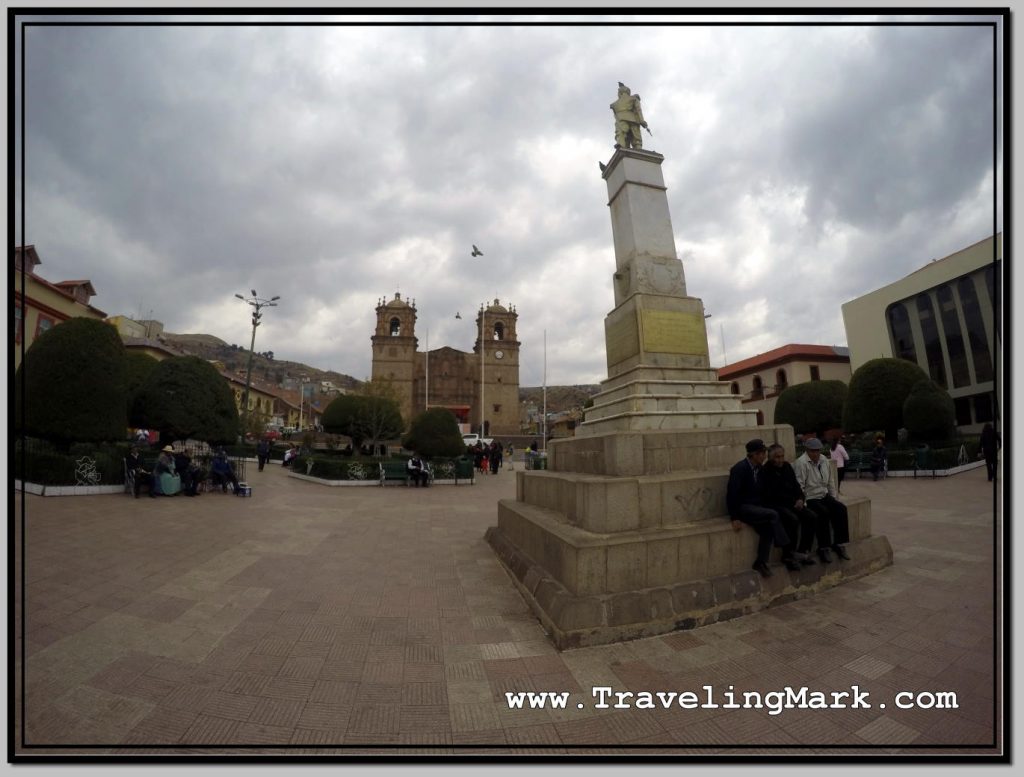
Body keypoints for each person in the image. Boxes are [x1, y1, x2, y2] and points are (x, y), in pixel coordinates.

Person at [726, 439, 800, 578]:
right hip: (744, 508)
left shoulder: (760, 469)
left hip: (757, 507)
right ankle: (785, 545)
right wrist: (734, 517)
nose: (764, 456)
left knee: (768, 528)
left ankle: (760, 562)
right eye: (762, 453)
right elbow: (732, 494)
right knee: (773, 515)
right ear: (753, 454)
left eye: (764, 453)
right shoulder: (740, 469)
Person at [760, 444, 818, 566]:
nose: (780, 460)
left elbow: (796, 486)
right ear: (770, 458)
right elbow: (769, 495)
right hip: (776, 504)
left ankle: (802, 551)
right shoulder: (765, 471)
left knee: (811, 516)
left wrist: (800, 499)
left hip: (792, 502)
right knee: (792, 519)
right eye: (777, 457)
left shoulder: (786, 467)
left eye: (782, 456)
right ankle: (788, 554)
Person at [794, 438, 850, 563]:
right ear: (807, 451)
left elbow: (830, 481)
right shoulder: (801, 463)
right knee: (822, 513)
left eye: (818, 451)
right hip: (810, 497)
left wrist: (834, 498)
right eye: (812, 451)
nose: (816, 454)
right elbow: (800, 486)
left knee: (840, 509)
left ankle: (839, 543)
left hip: (823, 495)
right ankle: (823, 547)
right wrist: (804, 504)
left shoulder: (824, 460)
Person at [610, 82, 649, 150]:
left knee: (621, 133)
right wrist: (642, 121)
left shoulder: (614, 104)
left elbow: (615, 116)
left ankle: (621, 144)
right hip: (633, 120)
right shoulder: (634, 99)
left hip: (620, 120)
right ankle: (638, 147)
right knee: (636, 138)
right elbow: (638, 110)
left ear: (619, 93)